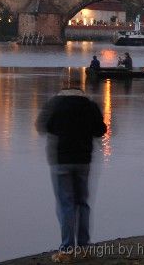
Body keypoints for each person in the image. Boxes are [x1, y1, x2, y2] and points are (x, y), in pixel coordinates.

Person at [36, 86, 107, 260]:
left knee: (65, 204)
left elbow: (42, 126)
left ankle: (67, 249)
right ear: (80, 90)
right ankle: (83, 247)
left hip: (61, 160)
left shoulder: (55, 104)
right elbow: (101, 130)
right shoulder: (90, 106)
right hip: (83, 160)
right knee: (82, 203)